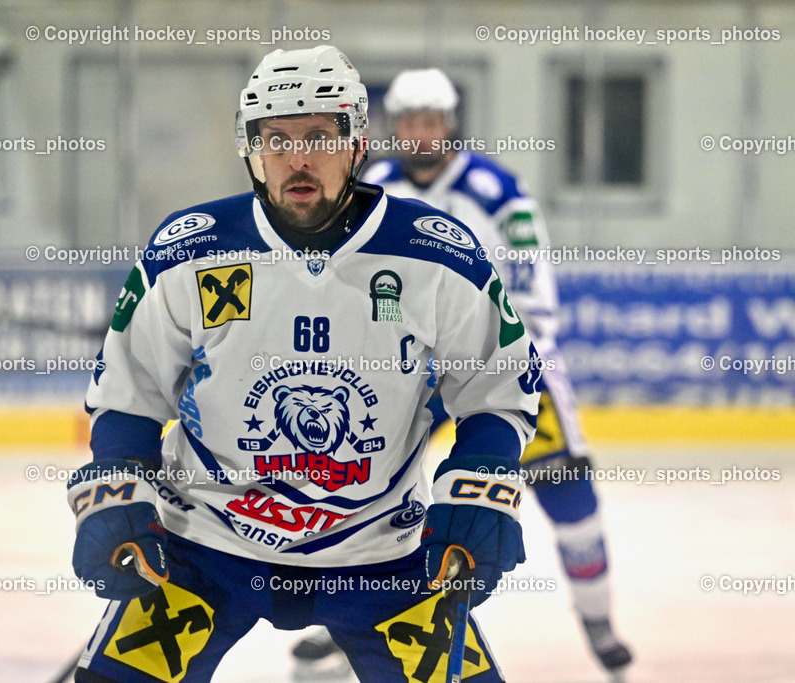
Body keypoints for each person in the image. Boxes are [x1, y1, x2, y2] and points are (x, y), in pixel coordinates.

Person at [69, 46, 542, 683]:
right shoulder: (189, 251)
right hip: (202, 541)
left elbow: (496, 390)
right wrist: (118, 491)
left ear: (356, 144)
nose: (297, 158)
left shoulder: (437, 256)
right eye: (276, 137)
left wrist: (481, 487)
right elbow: (129, 395)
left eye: (320, 135)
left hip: (385, 549)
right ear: (251, 148)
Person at [293, 68, 630, 676]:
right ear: (394, 128)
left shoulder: (498, 190)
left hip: (499, 365)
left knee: (565, 490)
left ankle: (598, 621)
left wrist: (505, 362)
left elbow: (532, 291)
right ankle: (349, 612)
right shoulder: (373, 185)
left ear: (450, 126)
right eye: (409, 122)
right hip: (408, 371)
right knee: (358, 489)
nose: (420, 134)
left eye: (431, 122)